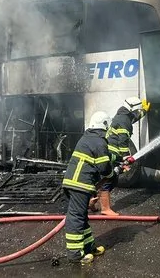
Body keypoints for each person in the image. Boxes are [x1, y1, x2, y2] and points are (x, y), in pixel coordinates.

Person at [62, 111, 115, 265]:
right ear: (105, 125)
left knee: (82, 217)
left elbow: (102, 157)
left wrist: (117, 160)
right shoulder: (98, 142)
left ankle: (89, 247)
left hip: (78, 184)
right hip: (79, 185)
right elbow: (104, 168)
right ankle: (75, 255)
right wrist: (114, 172)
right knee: (76, 218)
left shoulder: (90, 138)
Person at [89, 97, 150, 216]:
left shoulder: (122, 115)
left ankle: (91, 199)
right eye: (136, 111)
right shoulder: (124, 121)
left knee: (105, 179)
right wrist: (126, 158)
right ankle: (105, 209)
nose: (136, 113)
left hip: (109, 151)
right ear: (132, 110)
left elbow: (134, 117)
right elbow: (123, 141)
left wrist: (143, 111)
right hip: (113, 153)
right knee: (109, 179)